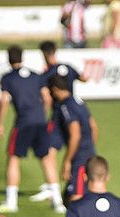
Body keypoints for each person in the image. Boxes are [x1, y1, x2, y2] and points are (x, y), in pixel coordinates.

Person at [0, 45, 64, 215]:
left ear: (9, 59)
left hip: (23, 123)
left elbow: (4, 100)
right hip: (40, 122)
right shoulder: (35, 76)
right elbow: (47, 97)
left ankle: (12, 202)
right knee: (46, 159)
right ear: (22, 57)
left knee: (13, 158)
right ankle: (58, 202)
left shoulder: (7, 78)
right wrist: (43, 115)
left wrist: (0, 123)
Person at [48, 74, 97, 202]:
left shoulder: (65, 107)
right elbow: (94, 127)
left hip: (79, 159)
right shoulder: (78, 101)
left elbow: (75, 134)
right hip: (89, 154)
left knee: (76, 197)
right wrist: (90, 148)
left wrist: (67, 161)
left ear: (55, 89)